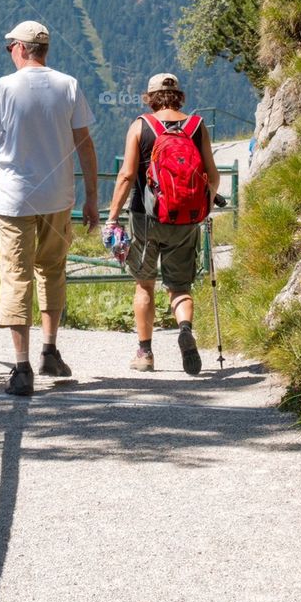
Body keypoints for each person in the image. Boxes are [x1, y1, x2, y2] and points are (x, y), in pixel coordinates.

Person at [0, 20, 99, 396]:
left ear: (22, 49)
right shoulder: (68, 85)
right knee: (52, 271)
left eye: (10, 45)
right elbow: (86, 146)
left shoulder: (4, 87)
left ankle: (22, 367)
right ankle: (50, 351)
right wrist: (92, 197)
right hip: (58, 197)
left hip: (14, 199)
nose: (9, 51)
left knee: (16, 276)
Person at [105, 73, 220, 376]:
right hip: (187, 219)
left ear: (151, 97)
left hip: (146, 218)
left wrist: (113, 216)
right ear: (179, 96)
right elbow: (213, 175)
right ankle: (184, 327)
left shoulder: (141, 126)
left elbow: (128, 175)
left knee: (145, 284)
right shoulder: (196, 126)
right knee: (180, 287)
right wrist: (203, 207)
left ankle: (145, 353)